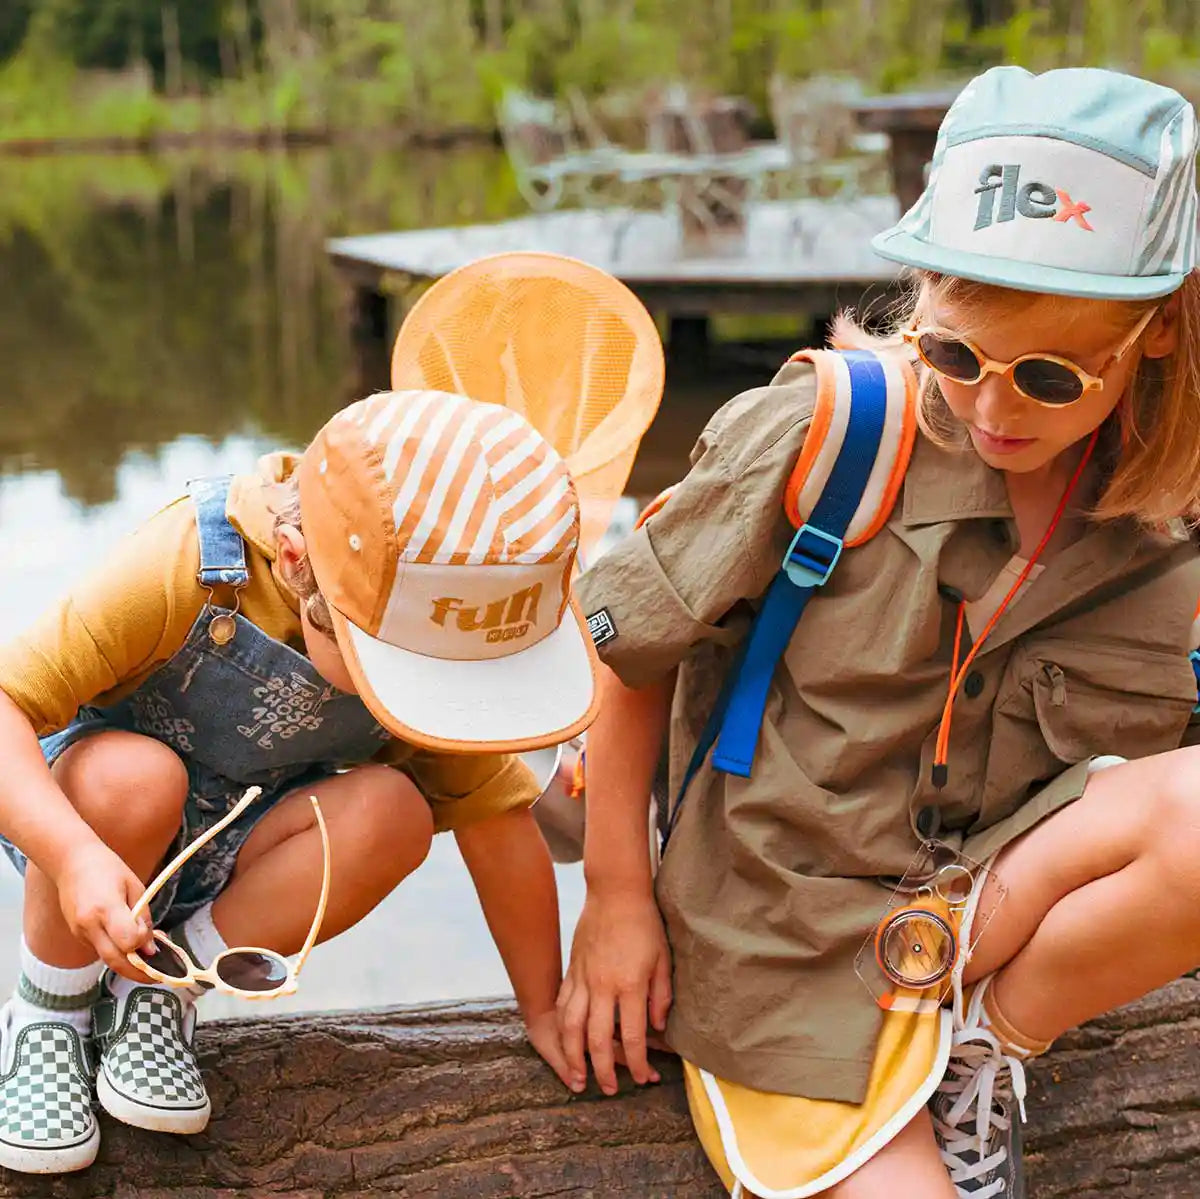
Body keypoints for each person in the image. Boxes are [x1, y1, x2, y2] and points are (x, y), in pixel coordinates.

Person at [559, 65, 1200, 1197]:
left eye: (1051, 376)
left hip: (978, 911)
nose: (995, 411)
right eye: (958, 355)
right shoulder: (827, 431)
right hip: (789, 935)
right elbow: (628, 652)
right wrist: (614, 897)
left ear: (1155, 334)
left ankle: (989, 1046)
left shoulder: (1170, 505)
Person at [0, 387, 599, 1174]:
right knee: (134, 778)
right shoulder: (189, 562)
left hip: (244, 846)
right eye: (392, 666)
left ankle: (164, 987)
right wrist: (72, 856)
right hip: (90, 833)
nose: (416, 691)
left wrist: (543, 1007)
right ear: (294, 561)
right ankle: (49, 1009)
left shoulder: (430, 616)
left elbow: (497, 822)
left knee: (396, 810)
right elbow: (11, 700)